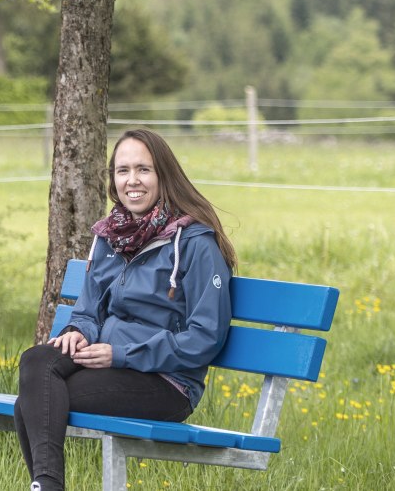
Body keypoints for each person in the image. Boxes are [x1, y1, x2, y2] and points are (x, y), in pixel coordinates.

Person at [13, 128, 238, 491]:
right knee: (37, 361)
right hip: (105, 360)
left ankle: (46, 485)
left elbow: (205, 338)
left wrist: (121, 354)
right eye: (122, 171)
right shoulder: (111, 236)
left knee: (33, 401)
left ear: (164, 175)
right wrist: (77, 332)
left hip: (166, 382)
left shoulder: (196, 243)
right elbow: (88, 310)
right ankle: (47, 485)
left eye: (143, 170)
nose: (132, 181)